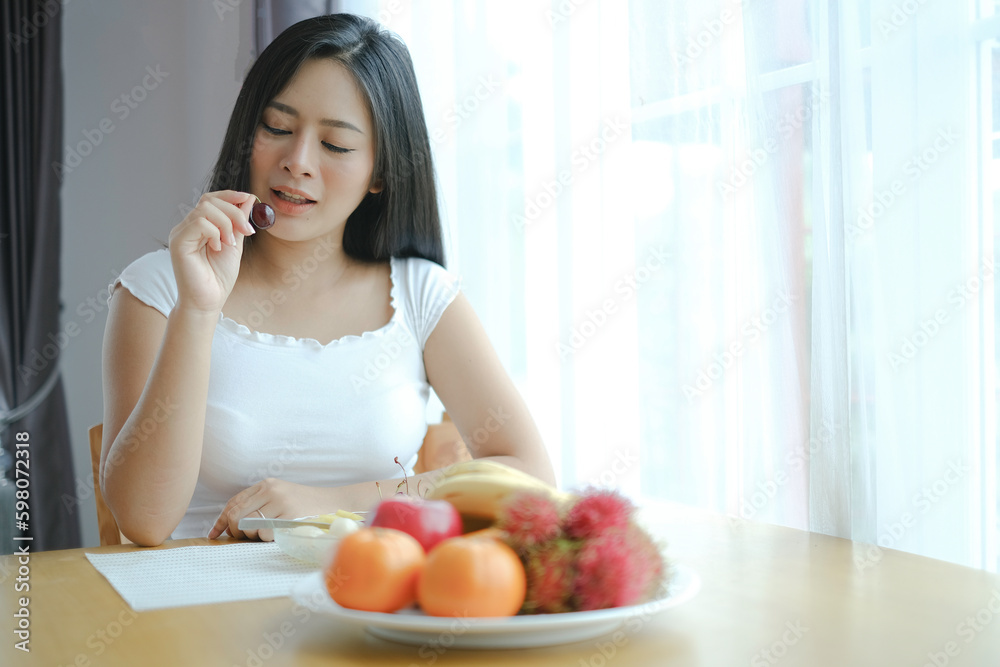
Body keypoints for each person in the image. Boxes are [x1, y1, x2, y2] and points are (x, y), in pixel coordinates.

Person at [100, 14, 555, 547]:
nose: (297, 162)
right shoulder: (160, 289)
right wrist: (199, 310)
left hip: (373, 598)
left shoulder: (420, 294)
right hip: (196, 601)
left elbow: (531, 478)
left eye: (335, 145)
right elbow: (143, 522)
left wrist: (337, 500)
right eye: (277, 128)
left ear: (381, 172)